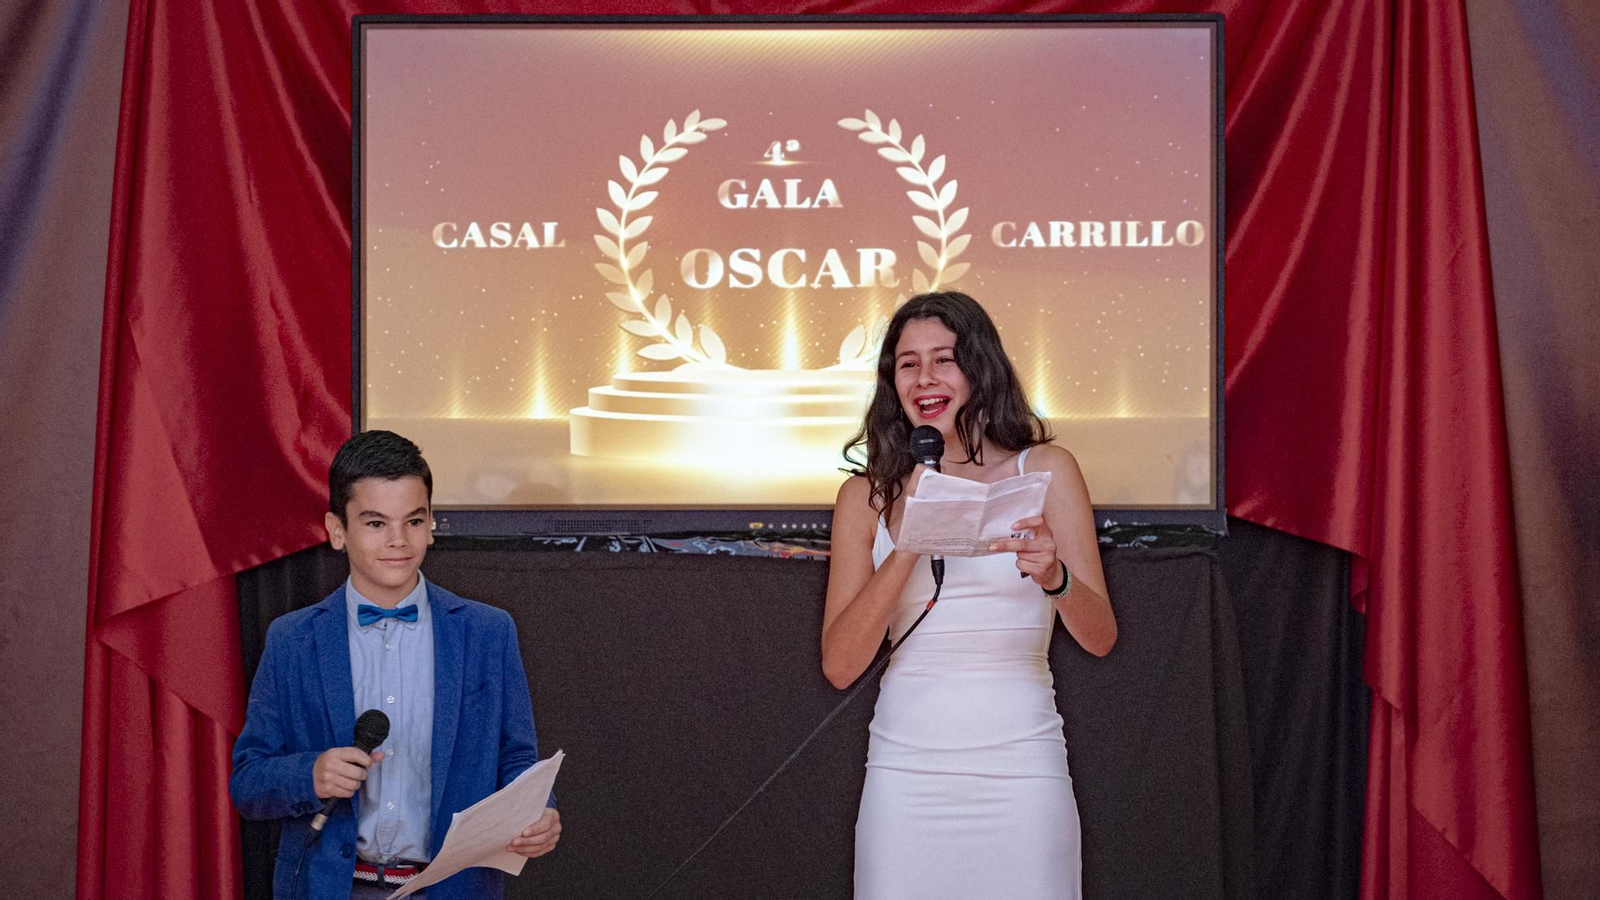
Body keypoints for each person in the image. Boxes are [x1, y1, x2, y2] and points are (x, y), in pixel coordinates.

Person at [823, 291, 1117, 899]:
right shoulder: (865, 498)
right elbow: (840, 665)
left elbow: (1101, 636)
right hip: (906, 774)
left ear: (979, 369)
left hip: (1022, 767)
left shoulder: (1047, 470)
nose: (925, 379)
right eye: (908, 363)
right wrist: (909, 540)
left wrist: (1054, 576)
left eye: (943, 359)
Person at [231, 430, 560, 899]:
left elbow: (518, 759)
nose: (398, 541)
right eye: (375, 523)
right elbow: (248, 782)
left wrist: (540, 811)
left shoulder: (488, 632)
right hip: (330, 889)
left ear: (431, 523)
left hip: (451, 888)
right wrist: (311, 774)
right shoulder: (292, 640)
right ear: (337, 530)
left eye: (413, 520)